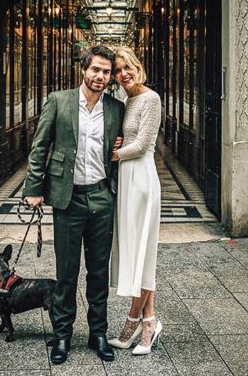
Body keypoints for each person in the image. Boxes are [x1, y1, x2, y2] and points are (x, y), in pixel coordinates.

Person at [21, 44, 126, 365]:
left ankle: (98, 334)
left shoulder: (115, 108)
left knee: (98, 272)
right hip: (68, 199)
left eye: (106, 72)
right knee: (66, 273)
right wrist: (34, 188)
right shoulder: (59, 101)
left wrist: (120, 148)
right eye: (95, 69)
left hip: (101, 197)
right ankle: (62, 335)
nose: (100, 76)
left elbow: (126, 145)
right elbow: (40, 147)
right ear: (84, 69)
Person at [107, 45, 163, 355]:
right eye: (117, 70)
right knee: (137, 253)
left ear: (137, 66)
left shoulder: (150, 99)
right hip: (126, 181)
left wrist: (112, 154)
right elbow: (126, 135)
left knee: (143, 251)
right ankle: (149, 321)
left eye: (126, 67)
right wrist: (117, 142)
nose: (122, 73)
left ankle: (134, 323)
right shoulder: (124, 101)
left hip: (141, 179)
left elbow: (142, 144)